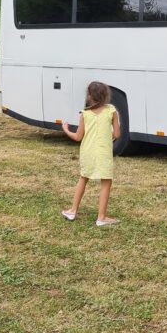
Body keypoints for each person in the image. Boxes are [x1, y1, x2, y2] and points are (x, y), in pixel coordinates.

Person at [60, 81, 121, 226]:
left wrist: (66, 130)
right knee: (106, 182)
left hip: (87, 152)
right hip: (103, 152)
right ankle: (101, 217)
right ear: (105, 95)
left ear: (89, 96)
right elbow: (117, 134)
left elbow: (78, 137)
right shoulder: (111, 111)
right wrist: (107, 136)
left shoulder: (85, 114)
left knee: (83, 178)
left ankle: (72, 211)